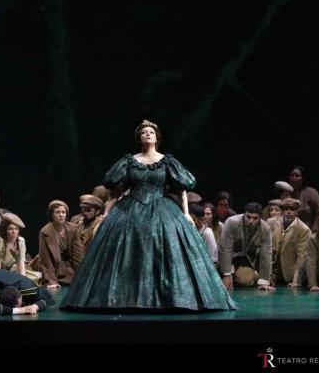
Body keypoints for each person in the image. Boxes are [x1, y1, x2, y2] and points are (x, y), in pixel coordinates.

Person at [62, 120, 236, 310]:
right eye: (144, 132)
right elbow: (117, 191)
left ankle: (169, 297)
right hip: (130, 209)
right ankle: (123, 297)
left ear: (156, 137)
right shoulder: (129, 161)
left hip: (161, 208)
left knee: (167, 249)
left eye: (151, 132)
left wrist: (186, 214)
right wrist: (106, 212)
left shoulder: (167, 161)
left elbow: (181, 189)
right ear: (139, 137)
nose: (147, 134)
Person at [218, 202, 273, 291]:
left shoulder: (265, 228)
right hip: (229, 256)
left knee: (245, 281)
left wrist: (264, 281)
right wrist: (226, 275)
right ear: (244, 214)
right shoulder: (232, 222)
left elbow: (266, 253)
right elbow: (225, 248)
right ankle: (233, 274)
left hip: (247, 259)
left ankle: (255, 275)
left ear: (260, 218)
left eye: (255, 218)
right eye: (248, 217)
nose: (251, 221)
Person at [35, 200, 81, 290]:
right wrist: (51, 281)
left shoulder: (73, 229)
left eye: (63, 212)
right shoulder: (45, 232)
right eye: (57, 212)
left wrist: (80, 274)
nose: (61, 215)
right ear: (52, 215)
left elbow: (77, 254)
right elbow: (45, 259)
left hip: (68, 268)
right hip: (54, 268)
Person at [269, 198, 311, 288]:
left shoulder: (303, 229)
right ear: (282, 211)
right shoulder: (271, 222)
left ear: (297, 212)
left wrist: (296, 281)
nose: (288, 212)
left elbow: (302, 257)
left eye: (292, 209)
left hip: (289, 274)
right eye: (285, 209)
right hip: (272, 271)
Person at [0, 212, 41, 281]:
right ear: (5, 230)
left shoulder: (20, 241)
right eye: (10, 229)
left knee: (36, 277)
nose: (14, 232)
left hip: (11, 269)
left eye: (16, 229)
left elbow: (20, 262)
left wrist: (23, 280)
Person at [72, 195, 104, 259]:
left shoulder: (100, 224)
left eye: (89, 210)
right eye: (84, 209)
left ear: (97, 211)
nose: (85, 213)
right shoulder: (77, 220)